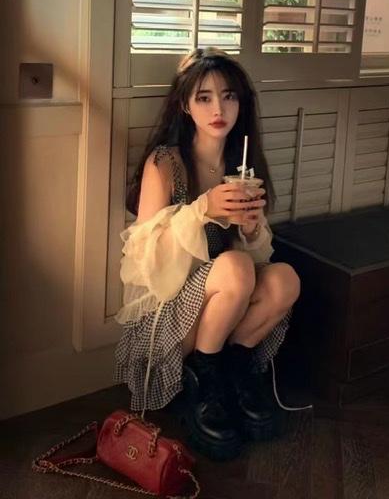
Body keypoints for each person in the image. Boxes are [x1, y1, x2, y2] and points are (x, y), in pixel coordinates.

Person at [114, 48, 301, 460]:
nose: (219, 109)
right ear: (185, 105)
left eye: (229, 96)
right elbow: (141, 258)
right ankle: (202, 383)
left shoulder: (241, 165)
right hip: (167, 315)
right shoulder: (166, 162)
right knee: (234, 266)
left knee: (284, 278)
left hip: (224, 309)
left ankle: (232, 372)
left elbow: (257, 257)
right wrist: (203, 210)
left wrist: (250, 230)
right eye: (204, 97)